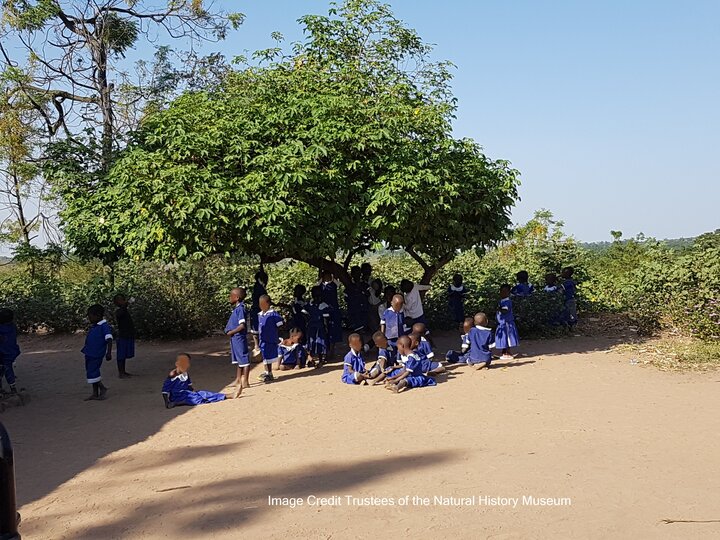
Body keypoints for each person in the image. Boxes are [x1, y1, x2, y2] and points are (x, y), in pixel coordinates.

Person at [82, 304, 113, 401]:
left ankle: (101, 389)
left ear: (98, 315)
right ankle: (95, 393)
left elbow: (109, 339)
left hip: (96, 353)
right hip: (90, 352)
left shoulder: (104, 326)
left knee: (93, 371)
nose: (89, 318)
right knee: (91, 372)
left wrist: (109, 352)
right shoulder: (95, 326)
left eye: (90, 316)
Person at [225, 287, 249, 398]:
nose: (230, 298)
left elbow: (242, 325)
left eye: (231, 296)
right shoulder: (236, 308)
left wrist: (232, 332)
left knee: (244, 359)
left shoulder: (241, 309)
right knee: (238, 360)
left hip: (239, 337)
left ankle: (245, 381)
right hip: (235, 338)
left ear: (237, 297)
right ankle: (238, 379)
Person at [257, 294, 283, 383]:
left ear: (268, 304)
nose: (261, 306)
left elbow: (280, 326)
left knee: (268, 356)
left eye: (262, 304)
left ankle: (269, 373)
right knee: (265, 356)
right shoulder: (260, 315)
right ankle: (267, 372)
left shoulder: (274, 314)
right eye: (260, 304)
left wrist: (278, 337)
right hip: (263, 339)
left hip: (270, 339)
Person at [303, 285, 330, 368]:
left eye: (318, 295)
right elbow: (304, 313)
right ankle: (311, 359)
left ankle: (321, 360)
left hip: (320, 326)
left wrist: (326, 327)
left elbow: (326, 318)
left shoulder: (324, 305)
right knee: (311, 342)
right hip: (311, 326)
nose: (317, 297)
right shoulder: (309, 304)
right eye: (315, 295)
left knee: (320, 343)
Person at [319, 270, 343, 359]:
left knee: (333, 330)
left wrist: (332, 262)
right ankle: (326, 350)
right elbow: (318, 281)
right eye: (325, 275)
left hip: (334, 310)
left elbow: (336, 277)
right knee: (325, 330)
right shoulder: (320, 285)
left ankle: (331, 351)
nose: (327, 277)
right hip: (324, 310)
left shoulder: (334, 284)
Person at [495, 285, 520, 361]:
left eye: (505, 292)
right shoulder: (501, 301)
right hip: (501, 323)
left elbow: (505, 311)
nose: (502, 293)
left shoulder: (507, 302)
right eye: (501, 291)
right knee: (503, 338)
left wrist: (499, 309)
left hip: (506, 324)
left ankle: (507, 352)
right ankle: (503, 351)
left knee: (506, 338)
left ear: (508, 293)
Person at [113, 294, 135, 378]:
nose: (122, 301)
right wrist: (126, 303)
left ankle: (123, 371)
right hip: (122, 335)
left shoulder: (124, 310)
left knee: (124, 354)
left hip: (127, 334)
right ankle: (121, 372)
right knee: (121, 355)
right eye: (120, 300)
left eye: (123, 300)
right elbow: (120, 313)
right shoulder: (119, 311)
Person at [0, 308, 21, 395]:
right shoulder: (12, 327)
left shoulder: (1, 328)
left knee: (4, 369)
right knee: (7, 369)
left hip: (2, 353)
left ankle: (6, 389)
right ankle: (12, 388)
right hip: (12, 352)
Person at [249, 270, 269, 356]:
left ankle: (259, 345)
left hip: (259, 309)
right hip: (258, 310)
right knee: (256, 329)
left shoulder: (259, 286)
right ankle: (257, 346)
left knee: (258, 328)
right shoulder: (258, 288)